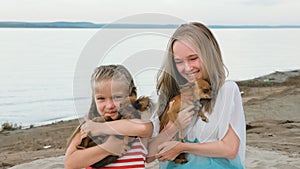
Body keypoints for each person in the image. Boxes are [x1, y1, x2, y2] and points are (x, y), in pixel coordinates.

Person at [147, 22, 246, 169]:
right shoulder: (167, 96)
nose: (187, 68)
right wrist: (173, 127)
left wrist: (182, 147)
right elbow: (149, 155)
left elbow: (230, 149)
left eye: (193, 58)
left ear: (209, 56)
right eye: (179, 61)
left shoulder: (226, 91)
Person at [64, 65, 153, 169]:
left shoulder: (136, 128)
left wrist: (100, 128)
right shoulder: (89, 127)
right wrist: (107, 148)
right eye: (101, 98)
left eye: (117, 97)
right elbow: (70, 163)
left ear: (131, 95)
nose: (110, 105)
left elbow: (145, 129)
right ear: (94, 99)